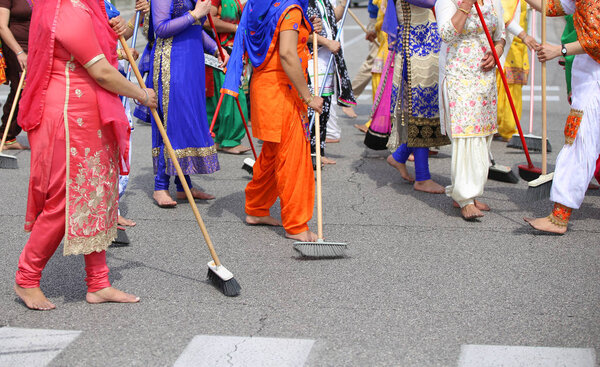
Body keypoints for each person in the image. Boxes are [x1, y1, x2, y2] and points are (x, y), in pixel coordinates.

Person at [14, 0, 158, 310]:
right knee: (64, 200)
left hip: (88, 111)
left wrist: (116, 26)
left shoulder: (85, 6)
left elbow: (100, 49)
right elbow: (102, 71)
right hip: (68, 112)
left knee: (96, 194)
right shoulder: (66, 10)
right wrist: (142, 94)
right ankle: (27, 277)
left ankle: (98, 283)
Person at [222, 0, 324, 242]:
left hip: (264, 88)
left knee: (272, 154)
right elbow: (288, 54)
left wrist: (307, 29)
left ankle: (256, 209)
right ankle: (297, 225)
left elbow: (275, 38)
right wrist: (308, 97)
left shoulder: (258, 4)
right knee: (293, 160)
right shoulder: (290, 8)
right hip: (283, 90)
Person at [522, 0, 600, 234]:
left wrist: (560, 49)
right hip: (587, 77)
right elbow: (552, 7)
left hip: (593, 81)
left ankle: (559, 217)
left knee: (578, 142)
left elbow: (596, 41)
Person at [150, 0, 224, 208]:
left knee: (187, 121)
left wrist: (216, 49)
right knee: (172, 122)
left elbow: (196, 28)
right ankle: (160, 186)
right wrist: (195, 14)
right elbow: (161, 28)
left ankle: (184, 185)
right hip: (172, 60)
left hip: (192, 61)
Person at [436, 0, 506, 219]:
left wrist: (497, 52)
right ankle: (465, 198)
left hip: (484, 76)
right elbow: (446, 34)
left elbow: (501, 35)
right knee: (466, 135)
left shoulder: (494, 1)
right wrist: (465, 4)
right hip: (458, 74)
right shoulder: (447, 1)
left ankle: (472, 192)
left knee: (482, 134)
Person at [382, 0, 450, 194]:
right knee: (420, 112)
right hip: (416, 52)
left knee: (424, 110)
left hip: (425, 47)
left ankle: (400, 155)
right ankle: (422, 177)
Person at [306, 0, 356, 164]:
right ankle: (309, 153)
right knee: (312, 108)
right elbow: (299, 33)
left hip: (327, 61)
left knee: (324, 107)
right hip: (312, 60)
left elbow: (332, 17)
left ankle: (319, 151)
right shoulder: (302, 3)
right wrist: (327, 42)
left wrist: (343, 4)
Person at [205, 0, 251, 155]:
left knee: (227, 96)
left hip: (239, 49)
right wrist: (237, 28)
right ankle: (228, 140)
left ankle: (220, 139)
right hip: (221, 51)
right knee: (230, 96)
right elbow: (207, 21)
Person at [495, 0, 538, 141]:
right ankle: (507, 129)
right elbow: (504, 16)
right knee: (506, 87)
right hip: (509, 42)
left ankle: (502, 126)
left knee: (509, 87)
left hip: (517, 45)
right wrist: (524, 35)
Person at [0, 0, 30, 150]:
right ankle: (6, 135)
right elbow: (1, 26)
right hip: (16, 47)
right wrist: (19, 52)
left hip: (37, 47)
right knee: (21, 89)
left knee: (28, 91)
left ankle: (8, 136)